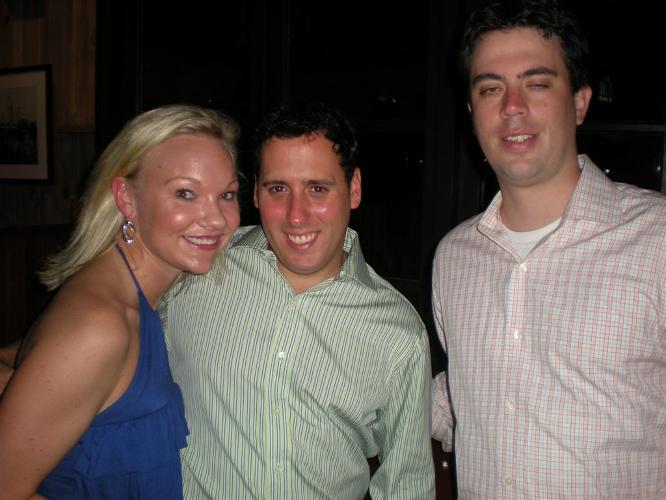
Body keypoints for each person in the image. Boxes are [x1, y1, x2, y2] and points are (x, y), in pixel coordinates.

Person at [431, 0, 666, 497]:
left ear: (579, 102)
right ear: (472, 113)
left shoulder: (657, 240)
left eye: (536, 84)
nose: (512, 106)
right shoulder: (453, 258)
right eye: (490, 88)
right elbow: (463, 396)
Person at [160, 102, 435, 499]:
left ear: (354, 188)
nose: (295, 216)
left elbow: (407, 485)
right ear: (256, 191)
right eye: (278, 189)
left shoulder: (399, 333)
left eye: (317, 189)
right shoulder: (194, 270)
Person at [0, 104, 241, 499]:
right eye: (185, 193)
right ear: (127, 198)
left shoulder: (135, 289)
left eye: (226, 194)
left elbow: (42, 352)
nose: (216, 219)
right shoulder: (102, 325)